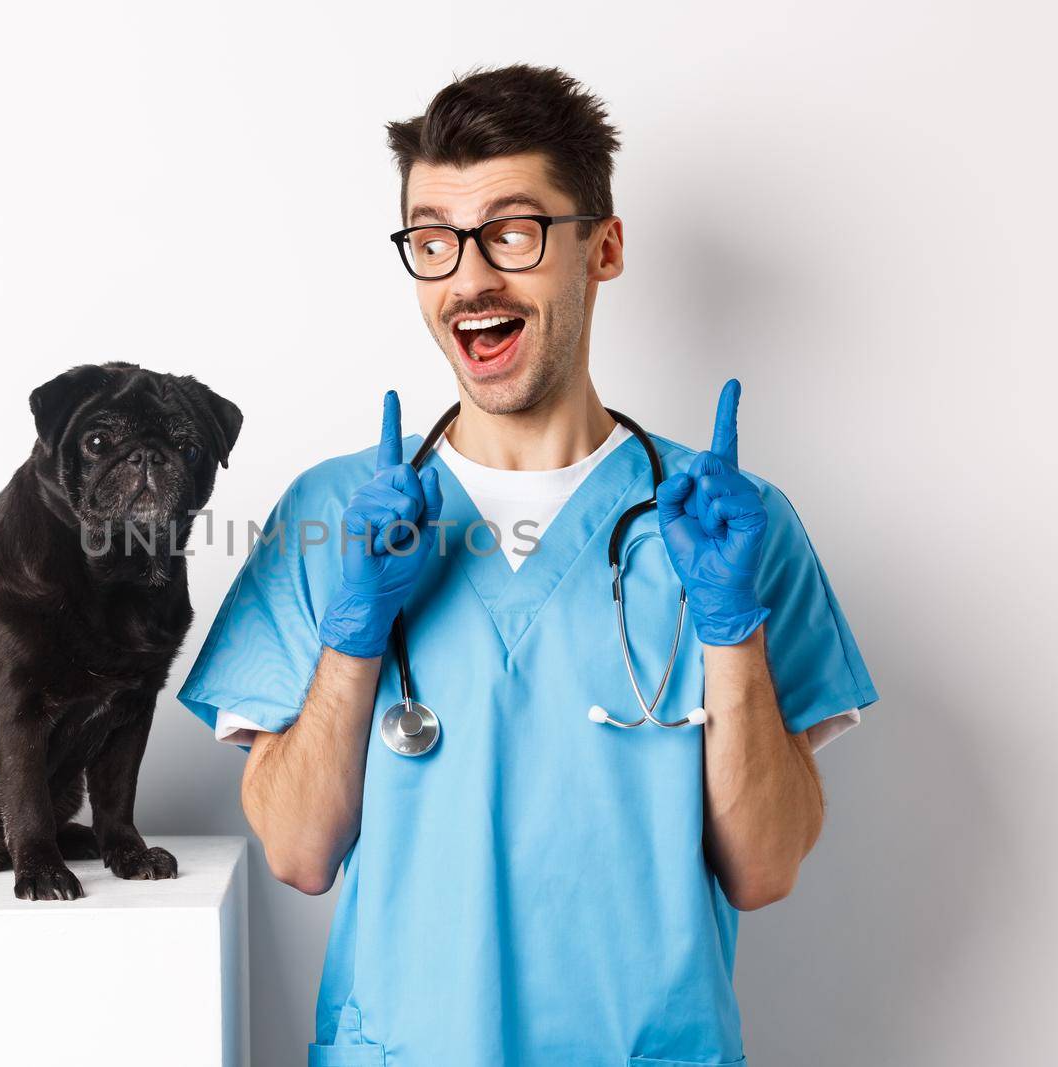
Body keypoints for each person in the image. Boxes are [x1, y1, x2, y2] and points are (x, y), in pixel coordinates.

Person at [177, 63, 877, 1066]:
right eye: (432, 239)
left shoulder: (728, 520)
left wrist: (731, 625)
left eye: (512, 231)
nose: (468, 278)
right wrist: (351, 636)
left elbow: (763, 868)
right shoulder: (334, 514)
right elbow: (297, 852)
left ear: (604, 247)